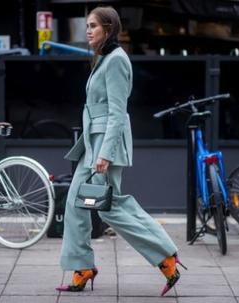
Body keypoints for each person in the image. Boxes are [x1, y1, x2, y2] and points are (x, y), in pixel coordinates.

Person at [56, 6, 186, 296]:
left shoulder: (115, 60)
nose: (88, 30)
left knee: (108, 206)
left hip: (105, 146)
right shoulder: (104, 58)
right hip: (94, 145)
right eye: (86, 25)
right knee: (78, 204)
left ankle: (165, 257)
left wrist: (104, 153)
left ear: (109, 28)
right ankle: (82, 266)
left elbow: (117, 112)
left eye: (93, 26)